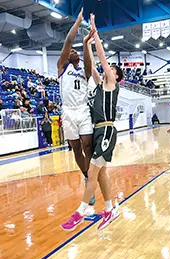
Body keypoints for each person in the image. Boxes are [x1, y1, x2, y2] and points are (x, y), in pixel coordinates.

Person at [61, 14, 123, 231]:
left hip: (107, 130)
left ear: (116, 76)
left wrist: (95, 32)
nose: (109, 69)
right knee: (102, 172)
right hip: (97, 131)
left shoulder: (111, 84)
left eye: (112, 69)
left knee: (94, 173)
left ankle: (81, 210)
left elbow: (102, 59)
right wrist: (86, 43)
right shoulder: (99, 86)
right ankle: (109, 209)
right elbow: (93, 65)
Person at [57, 8, 95, 205]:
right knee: (76, 148)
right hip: (68, 111)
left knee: (87, 145)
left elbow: (88, 61)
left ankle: (89, 180)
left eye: (75, 51)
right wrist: (78, 21)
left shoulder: (84, 70)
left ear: (79, 56)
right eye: (70, 51)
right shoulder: (63, 67)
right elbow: (68, 42)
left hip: (83, 109)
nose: (71, 51)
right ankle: (86, 174)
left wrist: (87, 42)